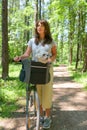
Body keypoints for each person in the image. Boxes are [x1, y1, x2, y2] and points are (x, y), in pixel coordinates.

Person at [14, 19, 57, 129]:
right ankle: (40, 116)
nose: (39, 27)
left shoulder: (51, 41)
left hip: (46, 69)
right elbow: (27, 54)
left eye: (42, 26)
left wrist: (50, 60)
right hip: (34, 69)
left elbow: (54, 55)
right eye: (38, 26)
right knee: (38, 94)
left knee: (47, 94)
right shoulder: (32, 41)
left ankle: (47, 118)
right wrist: (20, 57)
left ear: (46, 28)